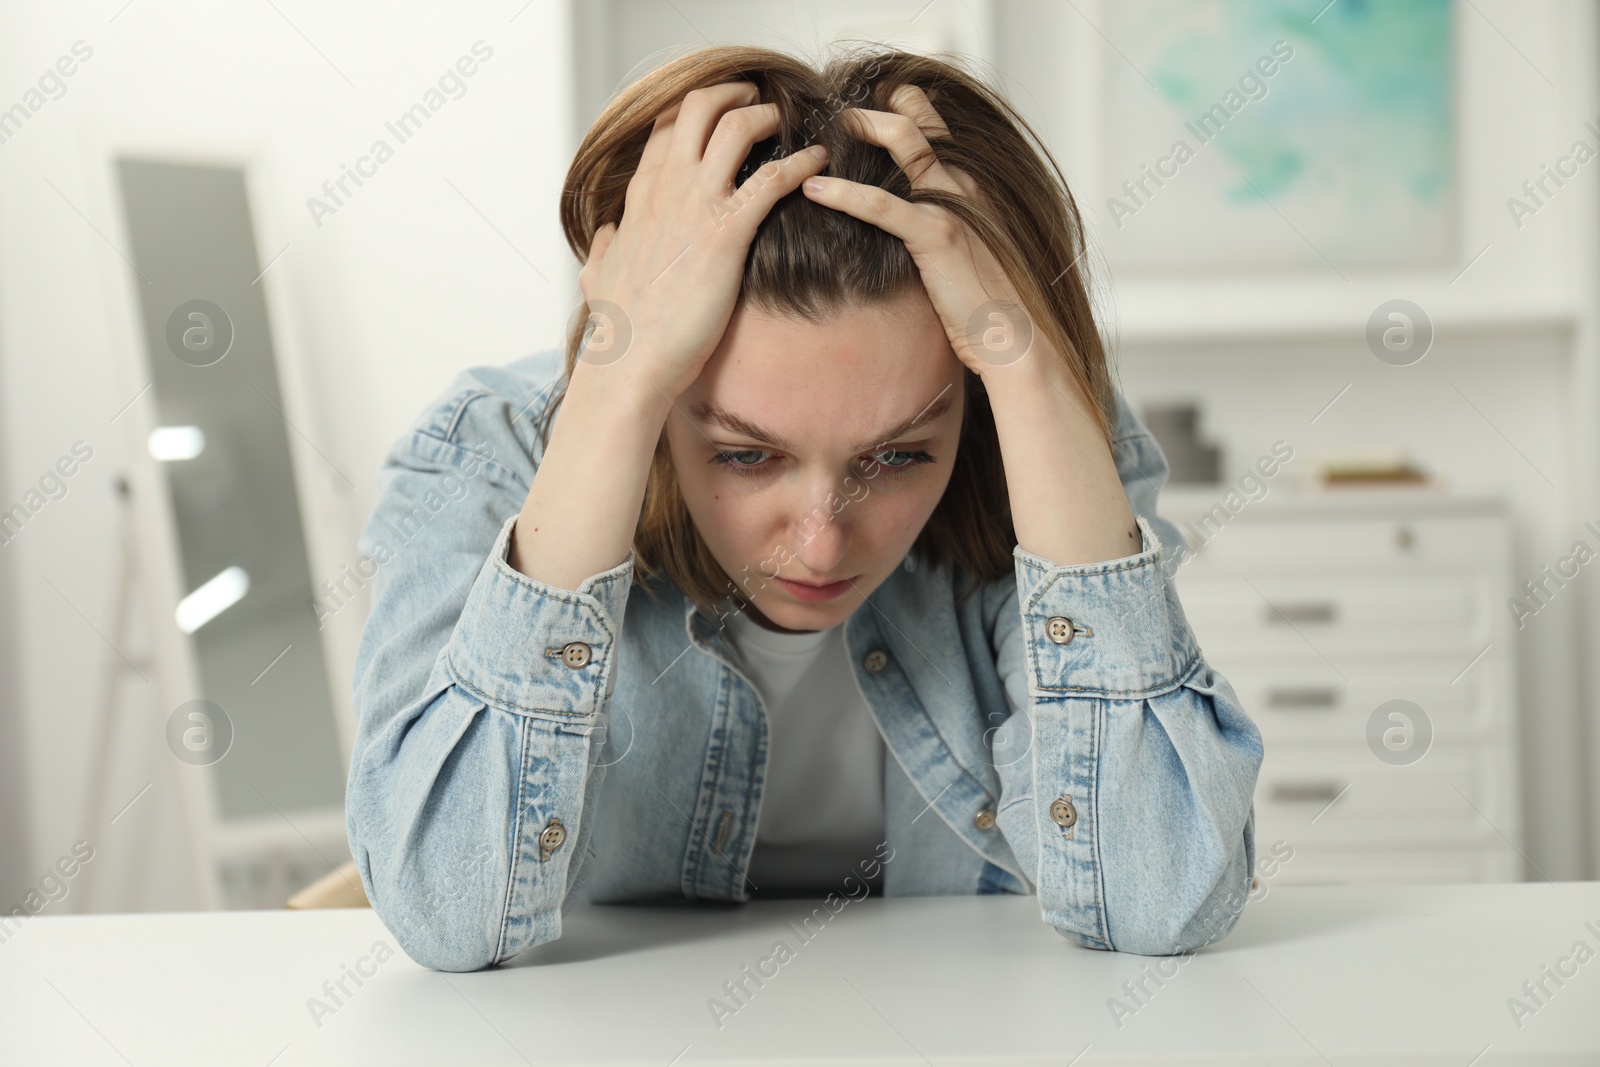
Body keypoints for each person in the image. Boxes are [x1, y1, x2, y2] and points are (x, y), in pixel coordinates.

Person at [344, 44, 1264, 973]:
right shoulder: (487, 452)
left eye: (900, 454)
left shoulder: (1033, 438)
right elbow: (444, 908)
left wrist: (1028, 372)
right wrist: (617, 389)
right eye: (745, 454)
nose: (823, 539)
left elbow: (1161, 896)